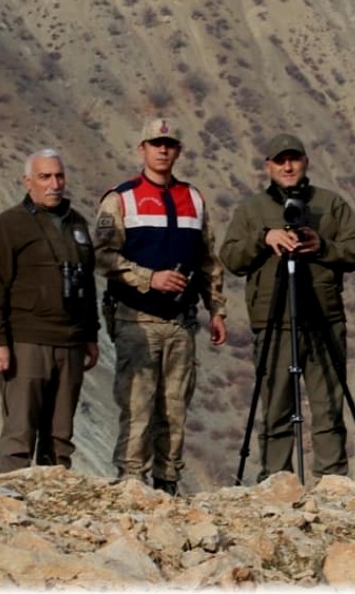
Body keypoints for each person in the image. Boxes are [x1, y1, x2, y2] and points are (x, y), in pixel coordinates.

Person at [219, 133, 355, 481]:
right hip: (274, 322)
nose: (288, 167)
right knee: (276, 407)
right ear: (268, 166)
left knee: (328, 405)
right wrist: (263, 238)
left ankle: (333, 482)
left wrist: (322, 245)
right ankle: (276, 480)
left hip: (323, 318)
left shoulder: (330, 204)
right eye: (280, 161)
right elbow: (231, 258)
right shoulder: (252, 210)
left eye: (294, 159)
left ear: (305, 162)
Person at [94, 118, 227, 496]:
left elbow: (207, 261)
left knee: (174, 408)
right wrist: (148, 278)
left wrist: (216, 308)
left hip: (181, 323)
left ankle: (167, 483)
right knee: (138, 405)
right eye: (155, 143)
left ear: (178, 150)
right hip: (137, 319)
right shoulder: (121, 199)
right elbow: (103, 256)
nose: (162, 150)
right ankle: (131, 484)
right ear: (143, 149)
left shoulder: (193, 198)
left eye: (169, 144)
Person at [0, 149, 100, 473]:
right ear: (27, 181)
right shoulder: (8, 225)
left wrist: (91, 334)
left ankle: (53, 512)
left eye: (59, 176)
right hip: (26, 342)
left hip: (71, 342)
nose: (54, 184)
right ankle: (7, 505)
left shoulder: (78, 224)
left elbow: (87, 282)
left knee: (60, 437)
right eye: (45, 177)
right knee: (20, 433)